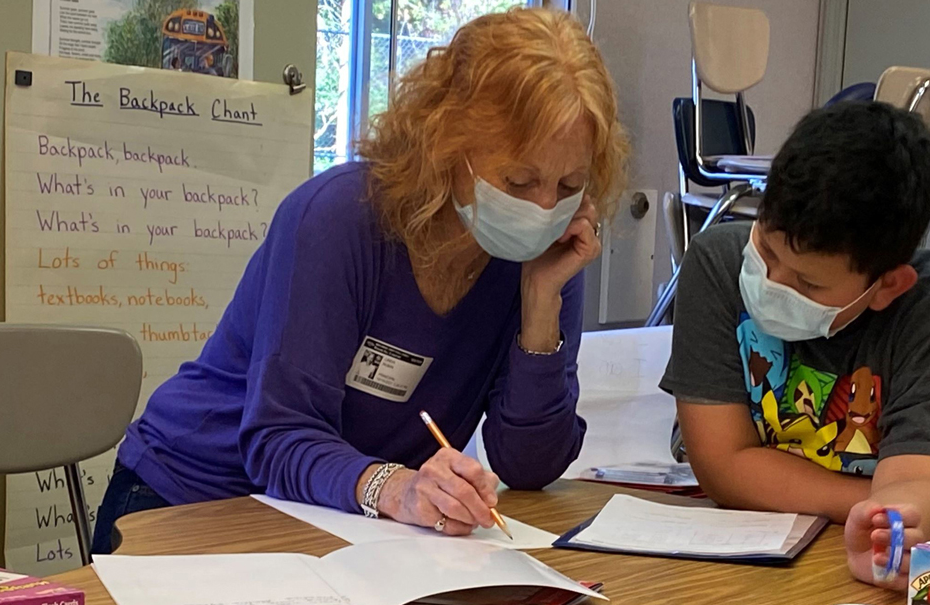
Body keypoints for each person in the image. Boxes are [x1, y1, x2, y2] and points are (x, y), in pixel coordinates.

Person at [91, 8, 628, 555]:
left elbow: (528, 465)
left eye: (568, 183)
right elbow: (278, 439)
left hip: (346, 521)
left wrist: (541, 305)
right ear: (448, 141)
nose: (543, 207)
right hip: (196, 498)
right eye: (519, 179)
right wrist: (395, 487)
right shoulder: (339, 218)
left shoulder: (548, 252)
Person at [659, 101, 930, 585]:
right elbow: (723, 466)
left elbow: (910, 502)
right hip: (801, 557)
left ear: (888, 285)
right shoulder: (717, 265)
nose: (771, 283)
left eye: (808, 285)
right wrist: (881, 504)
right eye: (765, 250)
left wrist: (899, 516)